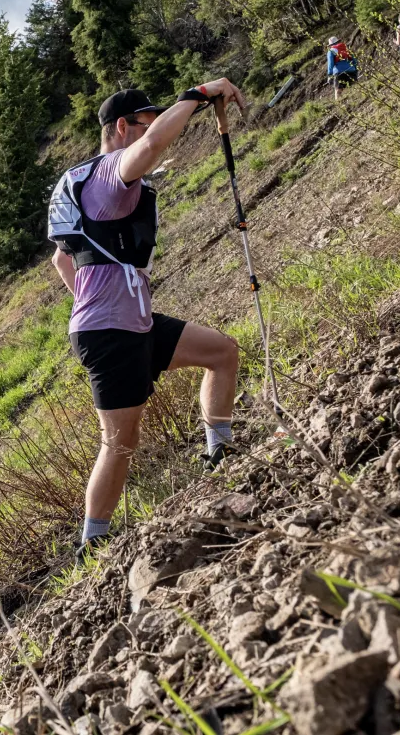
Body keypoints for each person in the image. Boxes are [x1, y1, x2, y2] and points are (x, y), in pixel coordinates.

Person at [47, 84, 244, 559]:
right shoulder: (110, 172)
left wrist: (96, 298)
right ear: (121, 127)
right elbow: (154, 145)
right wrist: (197, 95)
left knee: (222, 352)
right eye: (144, 121)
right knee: (120, 441)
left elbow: (61, 259)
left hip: (129, 321)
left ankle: (220, 453)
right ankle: (93, 541)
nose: (152, 130)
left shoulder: (78, 179)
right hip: (110, 332)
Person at [325, 36, 358, 101]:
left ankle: (338, 104)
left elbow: (330, 64)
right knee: (353, 88)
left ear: (330, 45)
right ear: (338, 42)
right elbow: (354, 60)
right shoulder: (346, 48)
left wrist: (330, 75)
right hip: (351, 70)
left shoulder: (331, 51)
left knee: (338, 90)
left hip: (339, 72)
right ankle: (355, 102)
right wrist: (355, 69)